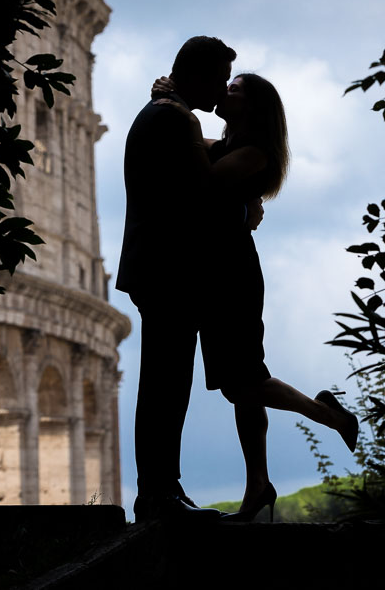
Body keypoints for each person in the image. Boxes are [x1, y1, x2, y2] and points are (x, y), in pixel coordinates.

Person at [151, 72, 361, 523]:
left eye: (234, 89)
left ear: (253, 107)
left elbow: (202, 176)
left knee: (242, 382)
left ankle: (327, 414)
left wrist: (178, 109)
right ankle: (258, 484)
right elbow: (194, 146)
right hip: (221, 272)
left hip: (232, 276)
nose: (224, 90)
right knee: (245, 385)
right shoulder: (230, 146)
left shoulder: (254, 153)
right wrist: (174, 104)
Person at [116, 36, 242, 522]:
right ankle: (159, 494)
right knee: (167, 385)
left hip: (156, 267)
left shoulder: (163, 112)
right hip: (169, 268)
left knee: (164, 382)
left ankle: (161, 490)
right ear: (198, 73)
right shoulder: (177, 117)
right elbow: (204, 188)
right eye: (218, 79)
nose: (221, 90)